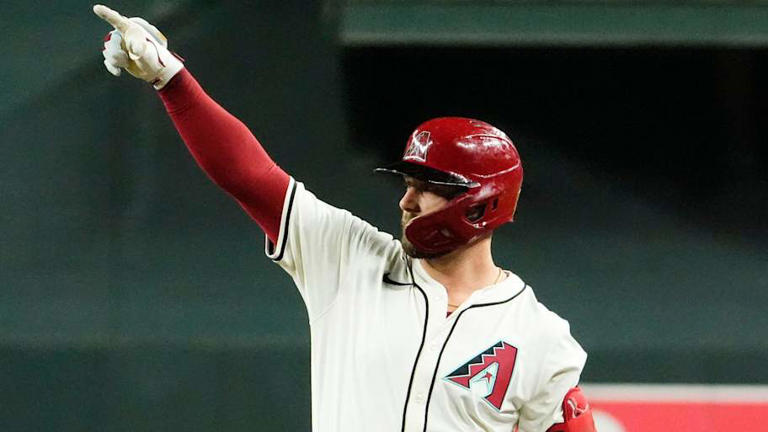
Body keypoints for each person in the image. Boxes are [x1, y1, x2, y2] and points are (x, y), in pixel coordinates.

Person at [93, 5, 597, 431]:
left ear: (481, 201)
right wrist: (170, 78)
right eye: (408, 184)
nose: (407, 200)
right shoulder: (349, 260)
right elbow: (250, 176)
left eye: (428, 189)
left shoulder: (540, 338)